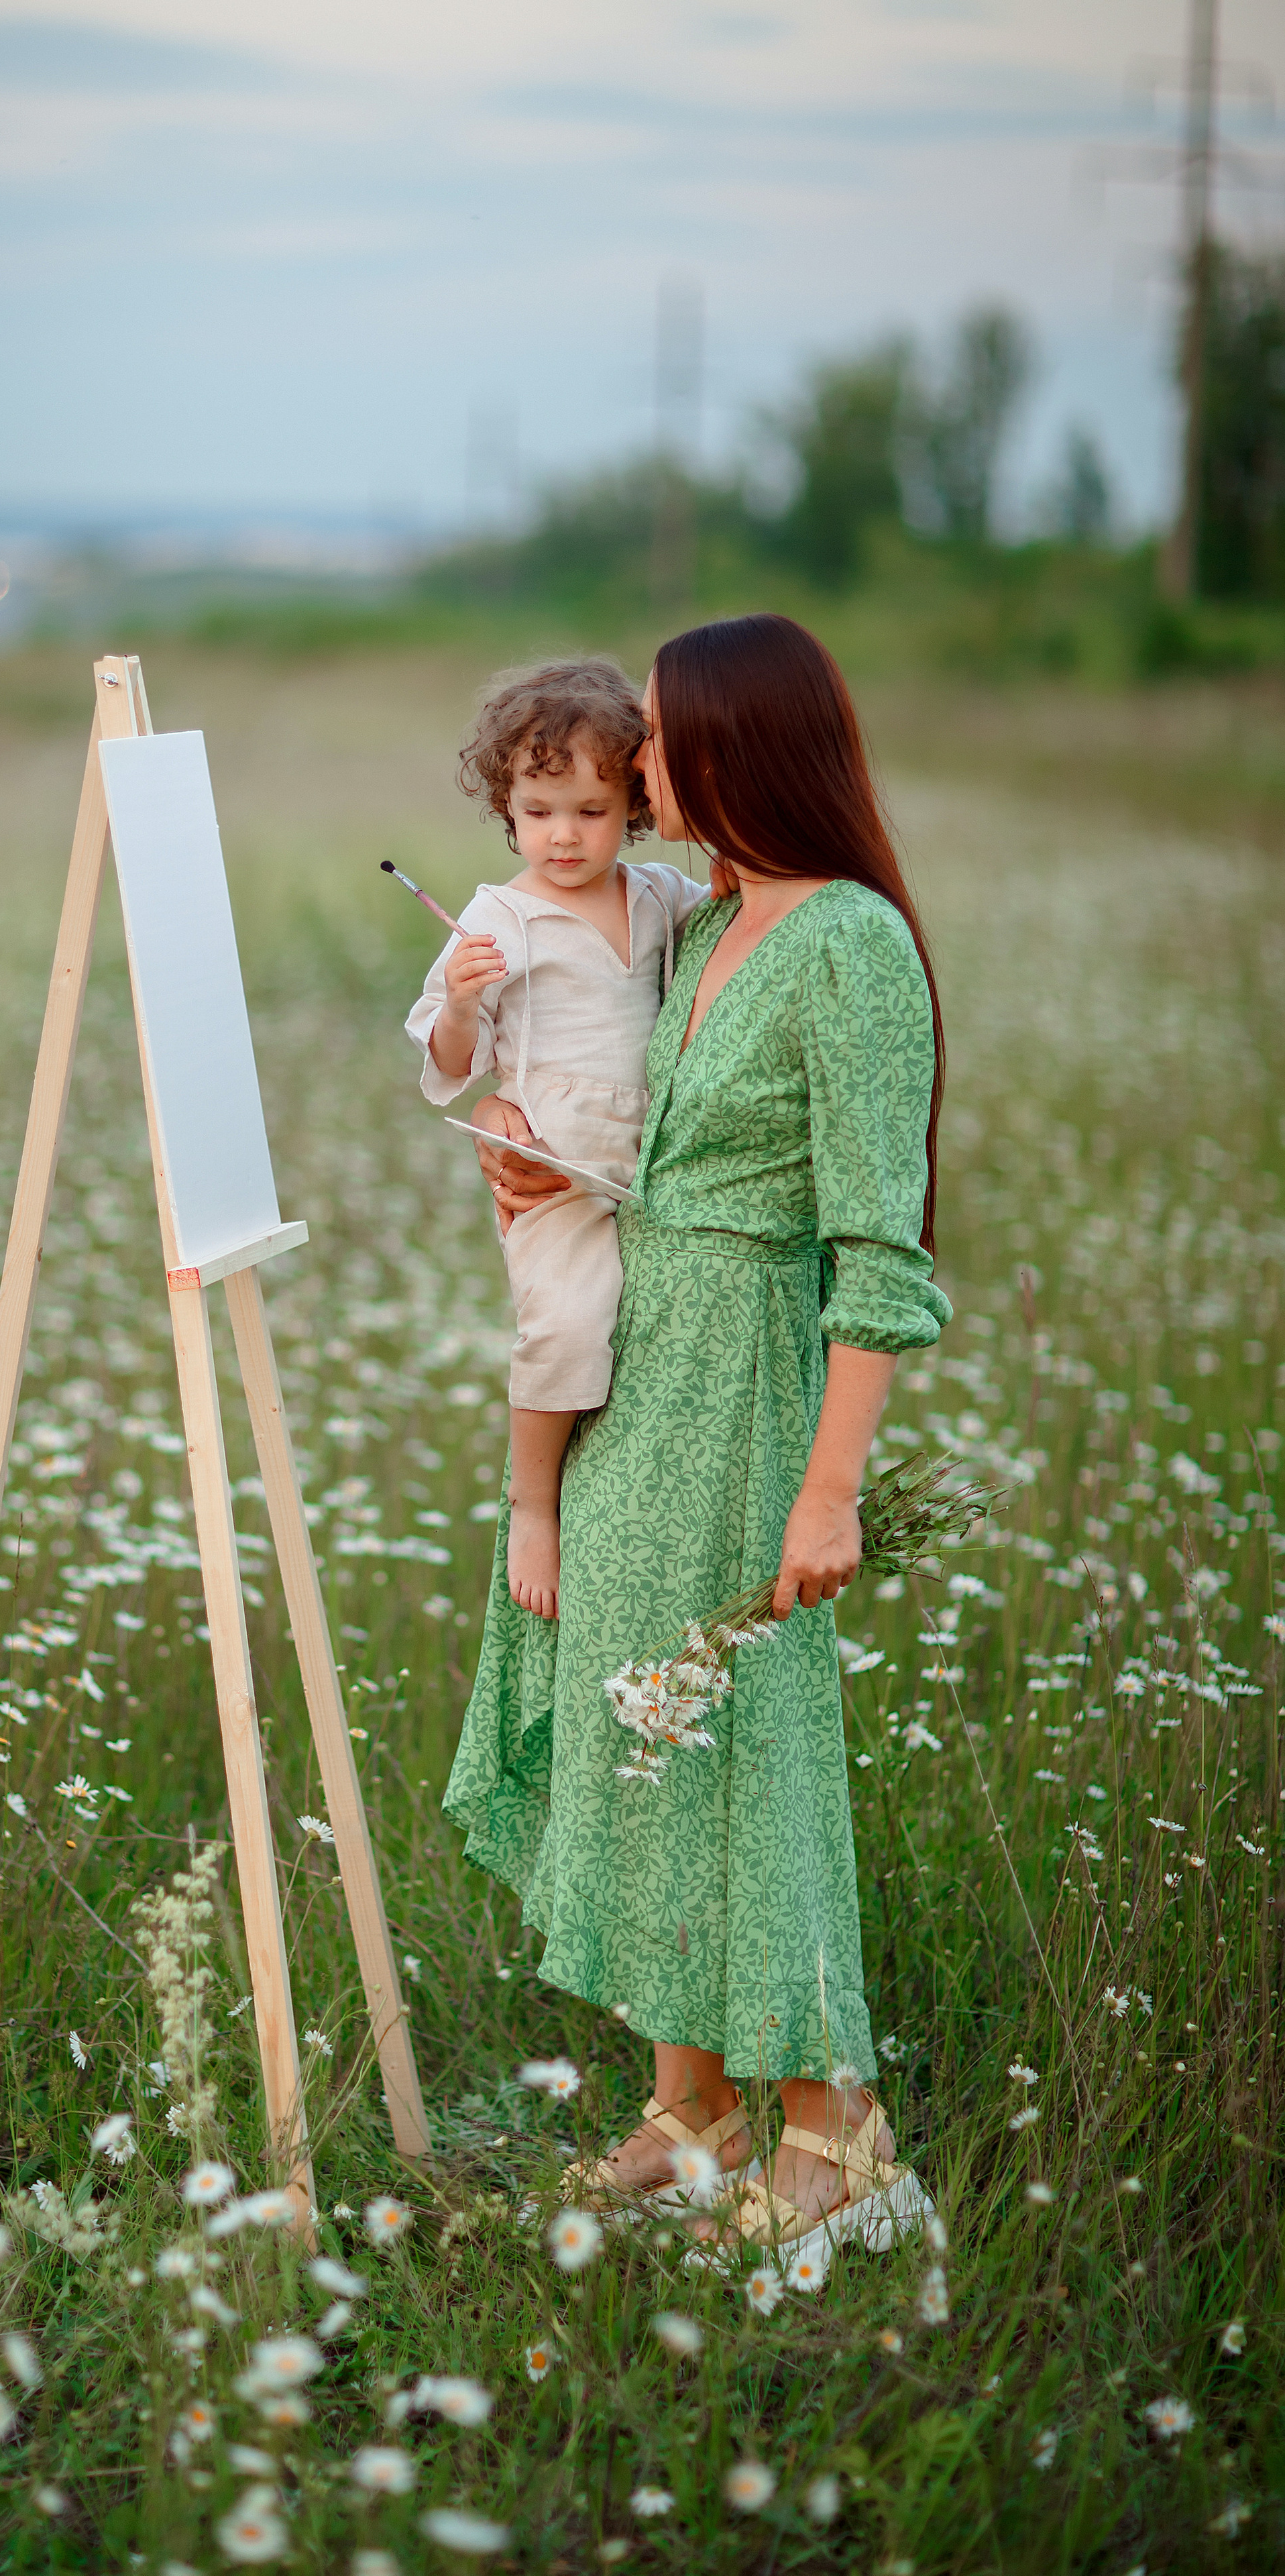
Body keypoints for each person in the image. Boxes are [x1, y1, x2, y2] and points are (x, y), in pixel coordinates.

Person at [445, 613, 952, 2255]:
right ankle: (692, 2106)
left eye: (655, 739)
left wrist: (829, 1487)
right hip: (636, 1360)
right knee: (631, 1711)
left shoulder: (846, 944)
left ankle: (833, 2120)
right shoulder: (709, 913)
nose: (632, 766)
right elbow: (612, 1102)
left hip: (743, 1382)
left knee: (749, 1732)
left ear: (733, 750)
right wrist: (529, 1155)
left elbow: (877, 1244)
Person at [404, 660, 705, 1623]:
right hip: (557, 1170)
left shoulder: (659, 896)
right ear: (508, 808)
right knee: (567, 1325)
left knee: (650, 1338)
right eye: (538, 812)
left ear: (635, 807)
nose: (563, 836)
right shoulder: (499, 916)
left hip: (653, 1160)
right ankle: (534, 1505)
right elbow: (455, 1060)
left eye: (590, 811)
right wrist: (459, 998)